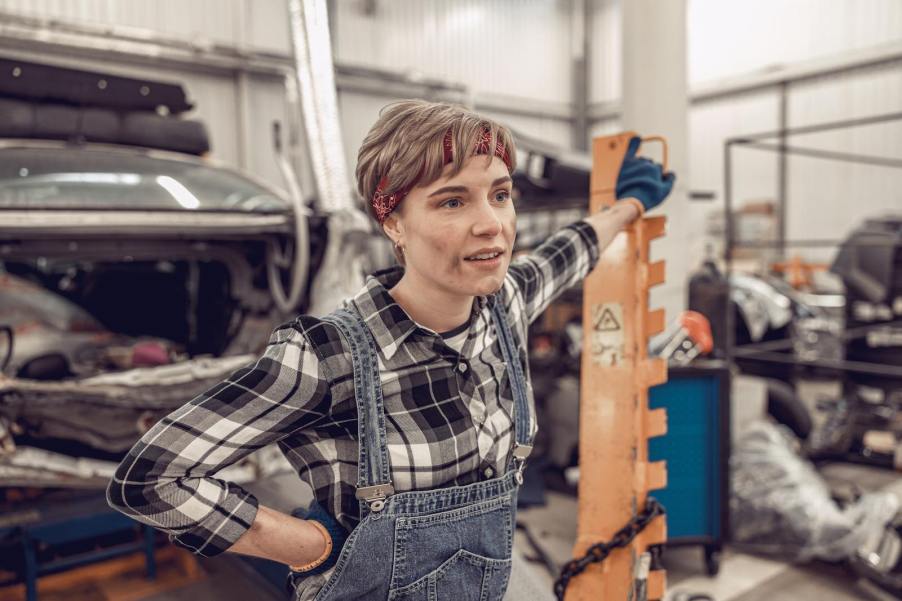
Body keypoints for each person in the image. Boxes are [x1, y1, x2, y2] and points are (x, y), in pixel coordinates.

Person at [107, 99, 674, 601]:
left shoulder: (508, 304)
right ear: (394, 222)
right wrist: (306, 546)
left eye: (500, 195)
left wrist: (629, 205)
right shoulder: (326, 355)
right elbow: (150, 479)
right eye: (452, 202)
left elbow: (569, 250)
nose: (492, 225)